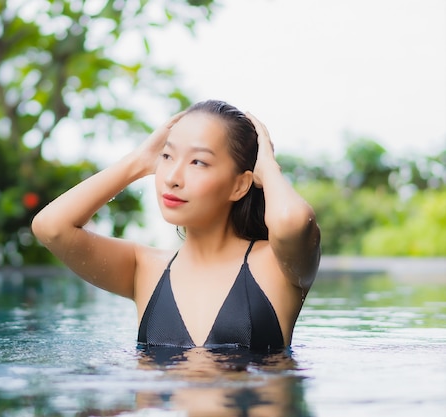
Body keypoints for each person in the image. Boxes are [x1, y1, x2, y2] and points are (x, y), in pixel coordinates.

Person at [31, 99, 321, 352]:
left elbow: (292, 222)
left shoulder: (277, 266)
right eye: (167, 156)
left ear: (240, 185)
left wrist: (268, 167)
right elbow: (51, 227)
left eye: (198, 162)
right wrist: (138, 162)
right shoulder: (143, 268)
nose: (172, 177)